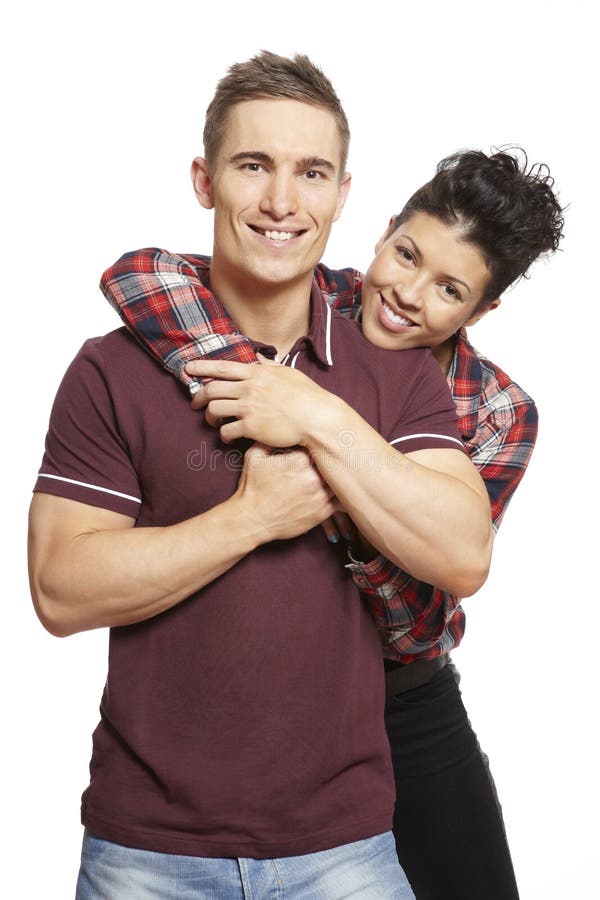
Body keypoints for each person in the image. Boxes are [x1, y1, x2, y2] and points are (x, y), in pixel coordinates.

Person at [28, 51, 493, 899]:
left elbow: (463, 554)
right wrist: (250, 516)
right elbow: (60, 590)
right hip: (146, 851)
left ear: (343, 195)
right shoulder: (111, 369)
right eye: (254, 166)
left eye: (311, 173)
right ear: (205, 181)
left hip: (345, 846)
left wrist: (315, 413)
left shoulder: (397, 374)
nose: (283, 202)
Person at [101, 147, 564, 899]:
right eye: (406, 255)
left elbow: (419, 615)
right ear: (382, 232)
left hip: (405, 703)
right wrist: (261, 387)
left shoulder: (497, 411)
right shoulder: (304, 298)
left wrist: (314, 419)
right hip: (272, 692)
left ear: (482, 311)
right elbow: (140, 274)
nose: (408, 294)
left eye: (449, 289)